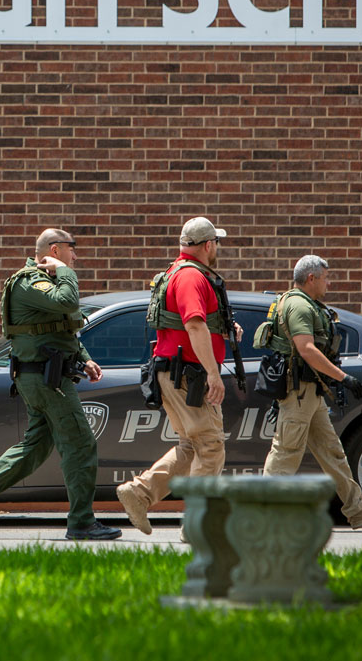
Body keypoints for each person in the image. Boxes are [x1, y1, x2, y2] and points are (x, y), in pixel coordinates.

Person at [0, 229, 119, 540]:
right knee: (81, 443)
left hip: (44, 374)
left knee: (35, 447)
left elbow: (61, 327)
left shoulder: (47, 280)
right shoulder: (30, 281)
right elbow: (67, 301)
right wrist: (67, 273)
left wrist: (84, 357)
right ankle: (82, 522)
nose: (75, 257)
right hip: (45, 378)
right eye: (72, 251)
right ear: (55, 250)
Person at [115, 217, 242, 536]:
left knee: (193, 445)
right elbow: (194, 325)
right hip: (189, 375)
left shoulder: (178, 272)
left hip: (175, 371)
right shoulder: (191, 277)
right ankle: (198, 523)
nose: (218, 250)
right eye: (217, 244)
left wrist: (225, 331)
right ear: (208, 245)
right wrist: (213, 373)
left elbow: (198, 324)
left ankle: (139, 493)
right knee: (211, 445)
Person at [261, 254, 362, 529]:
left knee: (332, 452)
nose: (328, 284)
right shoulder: (298, 305)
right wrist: (344, 378)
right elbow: (306, 348)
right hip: (299, 393)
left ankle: (357, 509)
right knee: (285, 453)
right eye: (326, 278)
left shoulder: (304, 303)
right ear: (311, 278)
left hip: (310, 393)